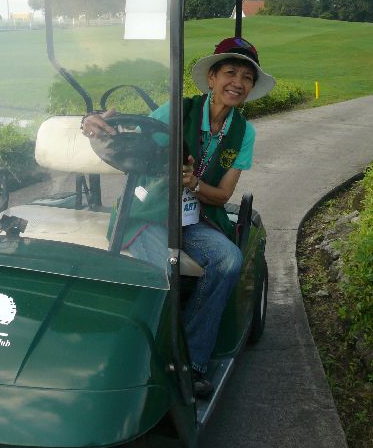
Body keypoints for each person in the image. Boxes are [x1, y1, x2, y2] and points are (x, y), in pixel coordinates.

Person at [81, 37, 275, 398]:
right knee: (163, 270)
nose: (238, 82)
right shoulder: (178, 110)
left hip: (195, 218)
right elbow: (132, 137)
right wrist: (96, 122)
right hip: (148, 212)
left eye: (247, 77)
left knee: (229, 260)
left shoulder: (243, 132)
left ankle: (192, 360)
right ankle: (144, 356)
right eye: (230, 72)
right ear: (212, 78)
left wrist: (194, 184)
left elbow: (223, 195)